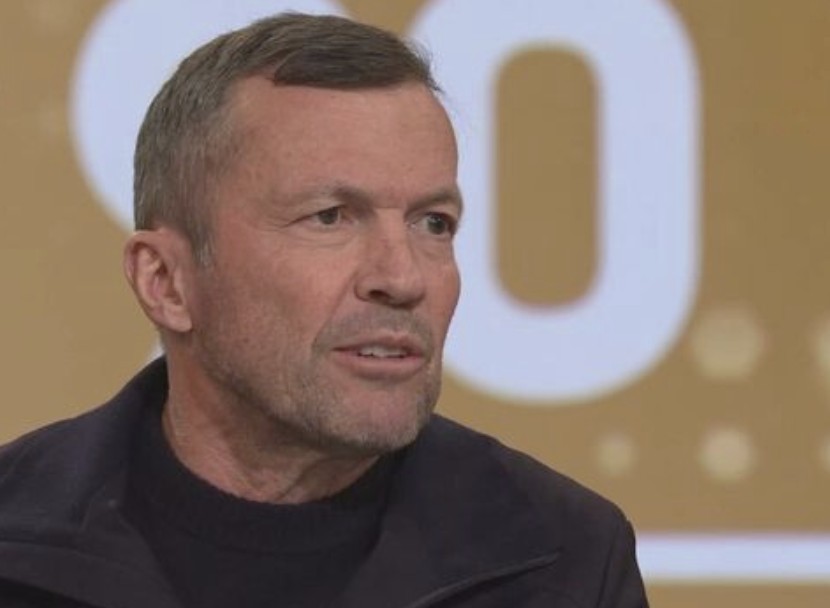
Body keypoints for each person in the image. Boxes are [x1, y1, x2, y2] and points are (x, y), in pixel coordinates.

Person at [0, 12, 648, 608]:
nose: (402, 278)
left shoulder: (565, 563)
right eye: (331, 217)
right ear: (166, 282)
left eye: (433, 222)